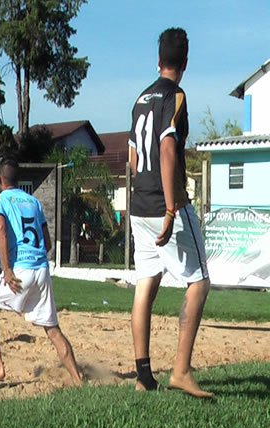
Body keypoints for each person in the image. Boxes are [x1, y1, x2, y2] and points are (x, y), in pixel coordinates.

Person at [128, 28, 211, 398]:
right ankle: (181, 370)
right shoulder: (175, 96)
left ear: (158, 60)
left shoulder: (139, 99)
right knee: (200, 281)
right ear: (185, 63)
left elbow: (133, 158)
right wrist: (171, 206)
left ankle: (143, 376)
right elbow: (167, 151)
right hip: (165, 205)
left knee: (146, 283)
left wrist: (148, 196)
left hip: (138, 204)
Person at [0, 159, 83, 385]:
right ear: (17, 179)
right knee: (53, 330)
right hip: (42, 269)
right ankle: (77, 378)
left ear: (0, 180)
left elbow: (0, 229)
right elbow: (47, 243)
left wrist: (7, 270)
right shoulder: (34, 202)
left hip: (20, 270)